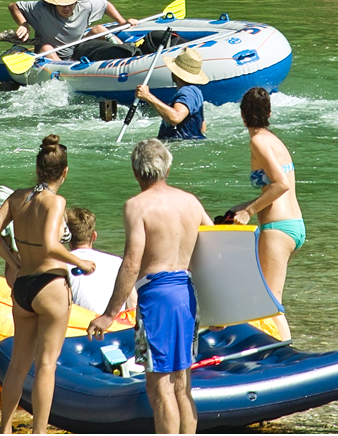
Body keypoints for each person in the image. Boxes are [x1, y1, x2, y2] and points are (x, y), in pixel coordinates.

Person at [88, 139, 213, 434]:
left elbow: (132, 263)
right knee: (182, 385)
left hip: (158, 299)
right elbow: (214, 246)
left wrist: (109, 314)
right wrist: (219, 307)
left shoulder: (137, 206)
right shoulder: (190, 201)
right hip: (186, 295)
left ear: (136, 171)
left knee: (160, 389)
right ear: (167, 167)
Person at [0, 135, 96, 435]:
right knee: (46, 365)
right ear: (65, 172)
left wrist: (14, 260)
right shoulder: (56, 201)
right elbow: (50, 244)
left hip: (23, 287)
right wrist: (80, 263)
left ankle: (5, 429)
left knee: (19, 365)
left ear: (37, 168)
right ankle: (39, 432)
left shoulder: (18, 197)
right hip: (50, 287)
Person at [226, 87, 305, 341]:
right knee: (266, 298)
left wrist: (249, 211)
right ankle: (271, 348)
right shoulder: (274, 140)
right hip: (294, 225)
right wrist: (242, 206)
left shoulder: (258, 141)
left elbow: (280, 184)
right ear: (269, 112)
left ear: (242, 115)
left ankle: (287, 357)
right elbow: (277, 186)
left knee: (270, 302)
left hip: (277, 229)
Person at [8, 0, 138, 61]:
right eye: (62, 4)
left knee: (99, 29)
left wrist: (122, 22)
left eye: (70, 3)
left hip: (77, 50)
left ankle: (127, 53)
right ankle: (66, 72)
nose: (66, 8)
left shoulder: (85, 5)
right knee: (46, 48)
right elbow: (14, 6)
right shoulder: (41, 8)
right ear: (54, 2)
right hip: (51, 56)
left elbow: (105, 4)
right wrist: (24, 24)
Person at [65, 207, 137, 315]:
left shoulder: (59, 265)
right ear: (94, 236)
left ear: (66, 237)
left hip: (80, 328)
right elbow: (133, 305)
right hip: (115, 327)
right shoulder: (118, 262)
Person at [134, 47, 208, 141]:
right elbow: (202, 127)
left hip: (181, 146)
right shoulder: (196, 91)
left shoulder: (187, 92)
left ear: (174, 73)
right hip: (188, 142)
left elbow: (175, 118)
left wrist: (147, 96)